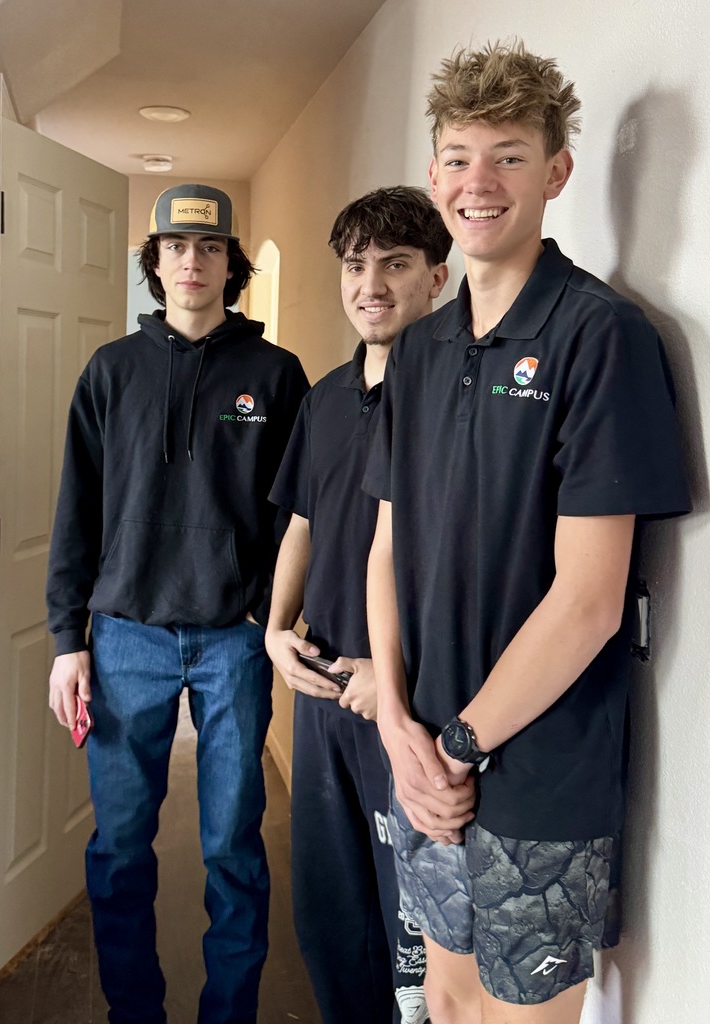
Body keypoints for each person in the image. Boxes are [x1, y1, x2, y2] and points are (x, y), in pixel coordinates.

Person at [363, 42, 691, 1024]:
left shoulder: (601, 336)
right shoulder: (417, 351)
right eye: (459, 157)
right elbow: (385, 547)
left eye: (508, 156)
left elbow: (590, 601)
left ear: (556, 172)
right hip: (421, 752)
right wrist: (395, 724)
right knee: (446, 1001)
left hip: (540, 773)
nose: (479, 182)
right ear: (433, 178)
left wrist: (457, 745)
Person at [45, 183, 309, 1024]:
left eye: (209, 247)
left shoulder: (275, 374)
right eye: (175, 247)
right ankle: (134, 1012)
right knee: (120, 847)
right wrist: (67, 639)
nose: (192, 262)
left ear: (231, 264)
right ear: (154, 263)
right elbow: (75, 511)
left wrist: (270, 614)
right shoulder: (110, 371)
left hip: (234, 641)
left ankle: (229, 1013)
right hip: (125, 640)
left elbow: (297, 513)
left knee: (233, 845)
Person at [265, 186, 451, 1024]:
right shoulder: (325, 398)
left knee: (410, 917)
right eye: (354, 265)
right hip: (323, 686)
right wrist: (275, 631)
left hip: (406, 697)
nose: (370, 285)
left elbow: (467, 560)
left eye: (395, 264)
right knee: (329, 904)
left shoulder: (454, 395)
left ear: (436, 277)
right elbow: (302, 521)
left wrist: (395, 672)